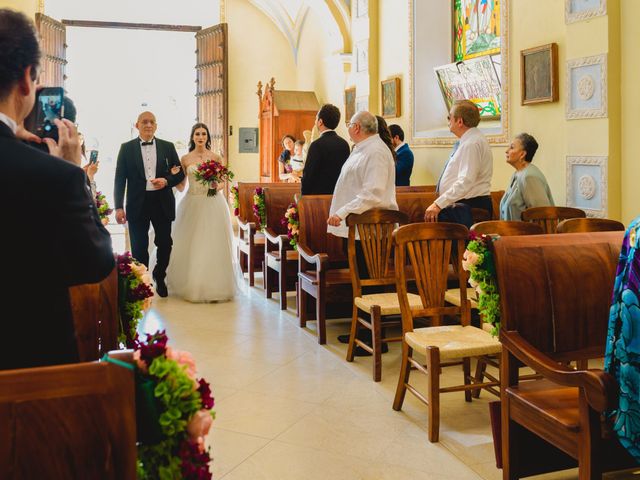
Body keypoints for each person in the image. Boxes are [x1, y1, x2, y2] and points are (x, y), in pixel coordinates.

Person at [0, 9, 114, 369]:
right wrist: (71, 170)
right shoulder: (55, 177)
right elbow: (94, 263)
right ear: (27, 78)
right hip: (28, 377)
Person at [327, 111, 397, 353]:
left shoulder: (376, 151)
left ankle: (373, 338)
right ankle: (362, 331)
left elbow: (373, 193)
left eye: (349, 124)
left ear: (356, 127)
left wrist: (344, 211)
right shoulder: (363, 147)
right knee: (361, 282)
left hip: (371, 230)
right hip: (360, 229)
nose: (348, 127)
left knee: (371, 283)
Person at [163, 123, 239, 302]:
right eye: (197, 134)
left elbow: (222, 182)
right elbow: (181, 187)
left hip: (213, 202)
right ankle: (193, 285)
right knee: (193, 243)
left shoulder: (215, 157)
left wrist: (215, 185)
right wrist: (173, 175)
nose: (200, 137)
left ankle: (215, 286)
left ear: (207, 137)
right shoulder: (185, 159)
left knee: (212, 243)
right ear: (192, 137)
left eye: (204, 134)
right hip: (192, 202)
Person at [114, 111, 184, 297]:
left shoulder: (168, 147)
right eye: (144, 122)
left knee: (165, 243)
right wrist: (119, 206)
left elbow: (179, 173)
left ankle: (159, 276)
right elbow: (120, 179)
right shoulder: (126, 148)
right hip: (137, 203)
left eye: (152, 122)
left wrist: (166, 181)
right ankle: (142, 282)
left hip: (162, 202)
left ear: (156, 126)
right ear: (137, 125)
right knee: (138, 246)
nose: (148, 125)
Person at [424, 99, 493, 227]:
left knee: (458, 246)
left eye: (449, 117)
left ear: (459, 121)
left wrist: (438, 204)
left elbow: (465, 181)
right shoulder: (470, 140)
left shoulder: (471, 143)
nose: (448, 121)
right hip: (465, 204)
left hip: (470, 206)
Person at [499, 133, 554, 220]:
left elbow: (541, 215)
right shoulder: (517, 173)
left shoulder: (529, 177)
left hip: (526, 233)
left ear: (522, 154)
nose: (506, 150)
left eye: (512, 147)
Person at [301, 104, 351, 195]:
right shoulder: (344, 144)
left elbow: (308, 175)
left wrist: (303, 197)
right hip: (338, 195)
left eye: (316, 118)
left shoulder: (316, 145)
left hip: (318, 197)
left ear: (320, 122)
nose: (315, 121)